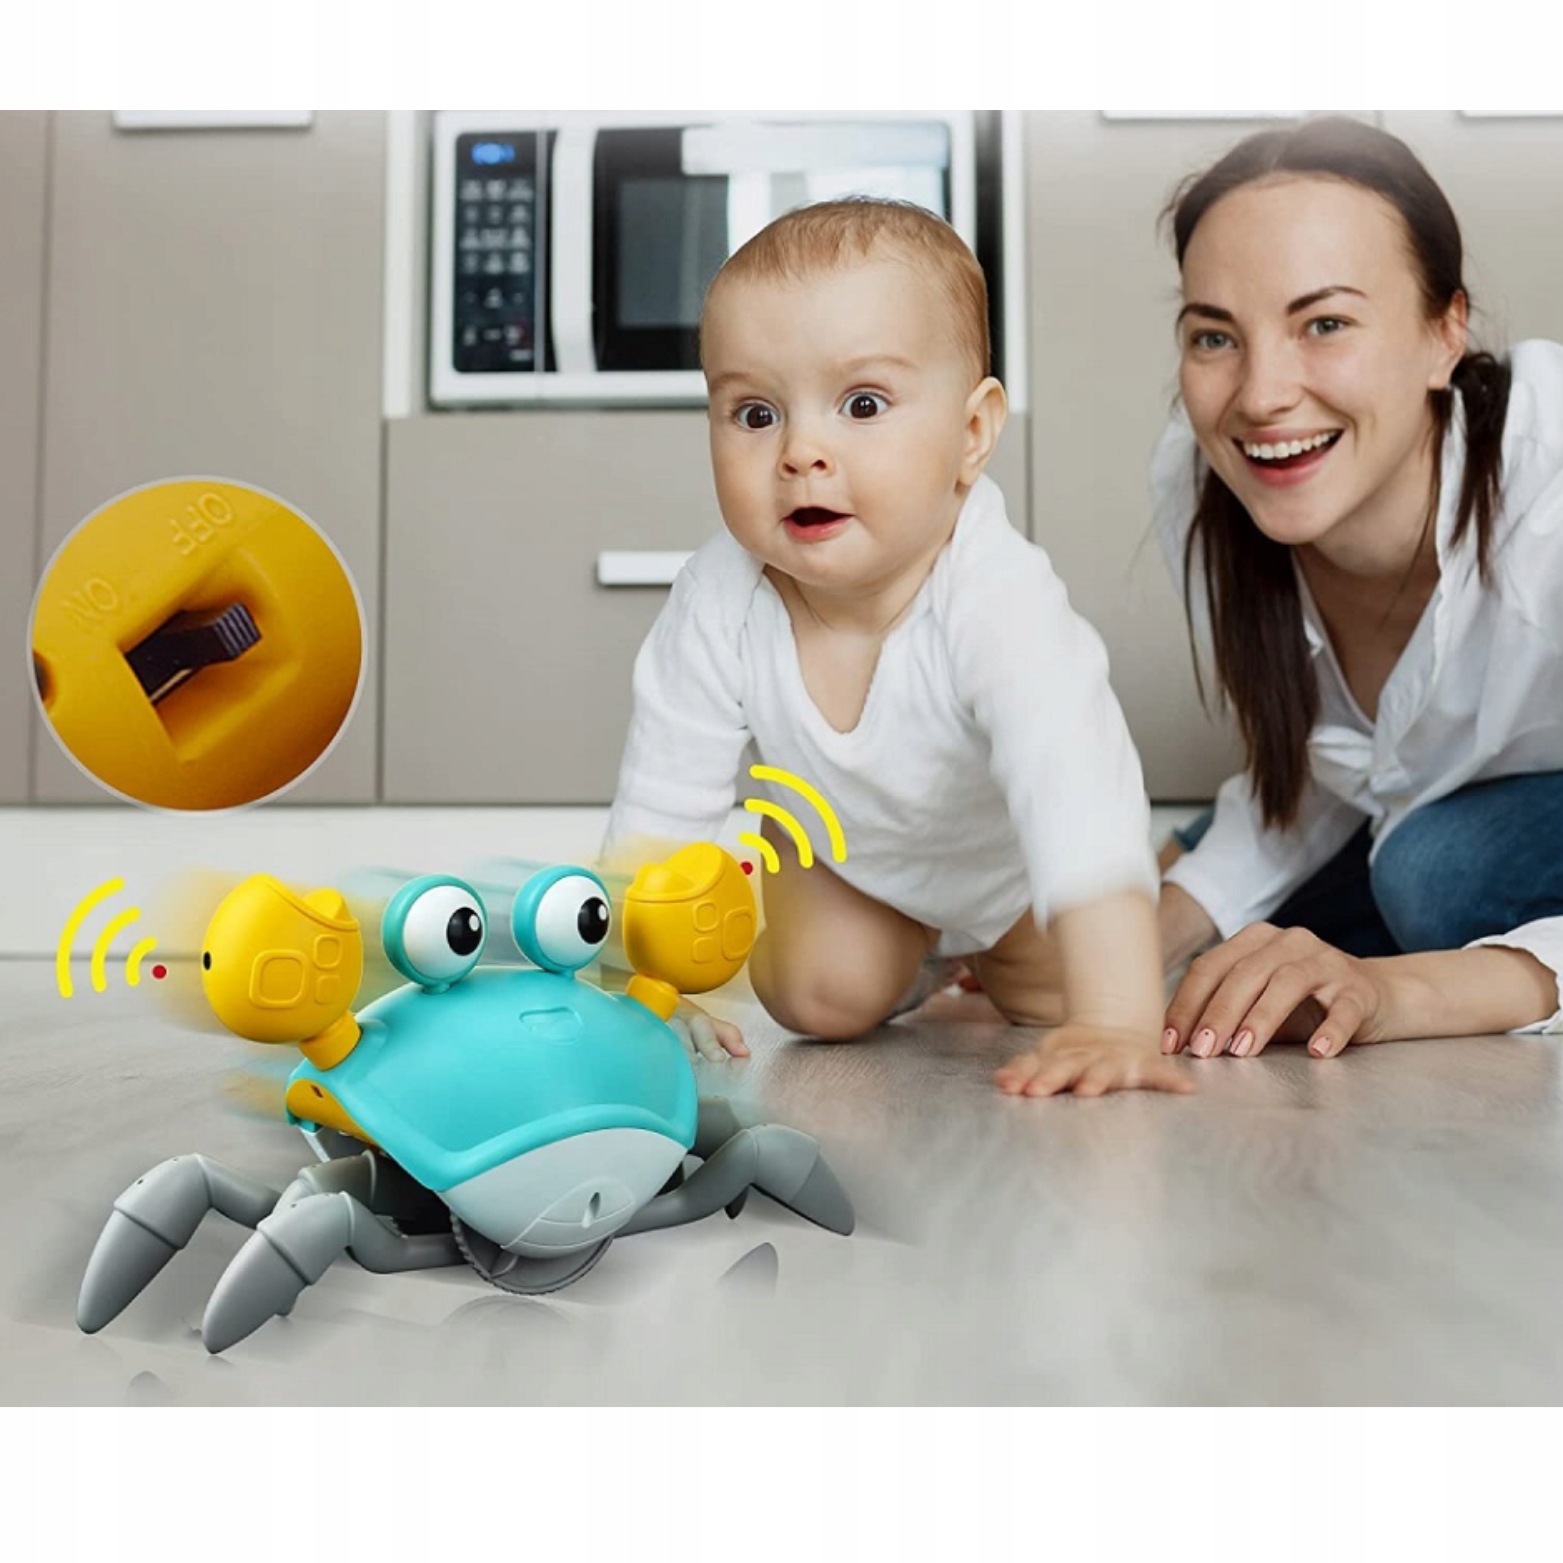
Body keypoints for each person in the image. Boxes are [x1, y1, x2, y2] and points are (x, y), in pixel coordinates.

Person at [604, 198, 1192, 1097]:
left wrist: (1115, 1019)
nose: (801, 451)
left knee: (1058, 994)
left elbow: (1074, 790)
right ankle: (912, 959)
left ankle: (1014, 943)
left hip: (1010, 873)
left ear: (971, 433)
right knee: (813, 997)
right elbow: (661, 803)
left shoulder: (995, 593)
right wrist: (640, 987)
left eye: (862, 404)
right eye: (754, 414)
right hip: (854, 864)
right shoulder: (719, 597)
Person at [1151, 116, 1563, 1061]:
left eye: (1324, 324)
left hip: (1449, 835)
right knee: (1272, 921)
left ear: (1444, 332)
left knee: (1426, 869)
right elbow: (1337, 770)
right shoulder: (1199, 479)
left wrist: (1391, 993)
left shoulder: (1548, 482)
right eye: (1214, 336)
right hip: (1424, 792)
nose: (1260, 396)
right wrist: (1129, 942)